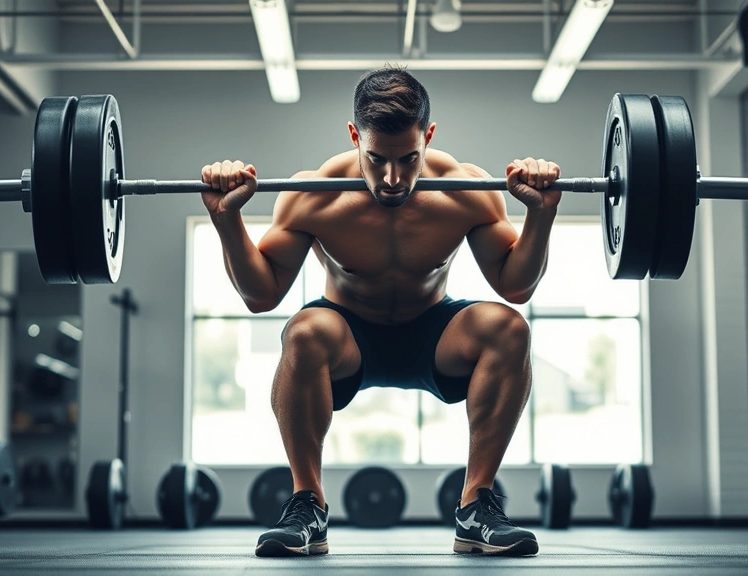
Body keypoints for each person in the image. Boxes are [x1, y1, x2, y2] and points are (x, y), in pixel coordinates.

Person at [200, 66, 561, 557]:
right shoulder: (314, 194)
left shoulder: (466, 189)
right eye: (377, 159)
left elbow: (515, 286)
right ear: (355, 137)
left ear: (428, 137)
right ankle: (308, 506)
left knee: (508, 328)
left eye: (408, 159)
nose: (393, 178)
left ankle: (476, 506)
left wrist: (540, 215)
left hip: (434, 333)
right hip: (347, 334)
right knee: (304, 331)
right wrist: (228, 222)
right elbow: (261, 295)